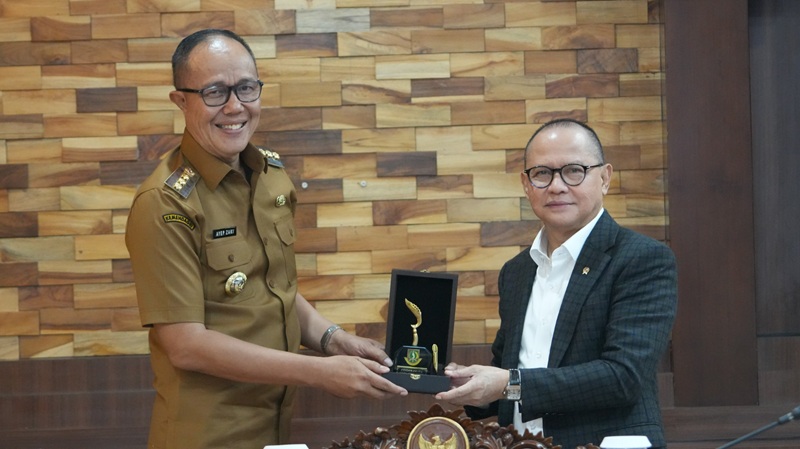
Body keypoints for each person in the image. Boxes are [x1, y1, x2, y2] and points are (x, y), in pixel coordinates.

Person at [125, 29, 407, 449]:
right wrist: (318, 371)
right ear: (181, 101)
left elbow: (273, 290)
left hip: (274, 426)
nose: (235, 106)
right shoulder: (164, 202)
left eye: (246, 87)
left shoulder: (269, 176)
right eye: (215, 92)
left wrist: (333, 339)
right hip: (207, 435)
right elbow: (186, 345)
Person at [435, 118, 677, 449]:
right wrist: (466, 384)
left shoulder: (642, 258)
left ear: (605, 178)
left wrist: (509, 383)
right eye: (542, 173)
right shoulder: (516, 271)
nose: (556, 186)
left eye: (574, 171)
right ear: (526, 183)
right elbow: (507, 376)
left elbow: (624, 377)